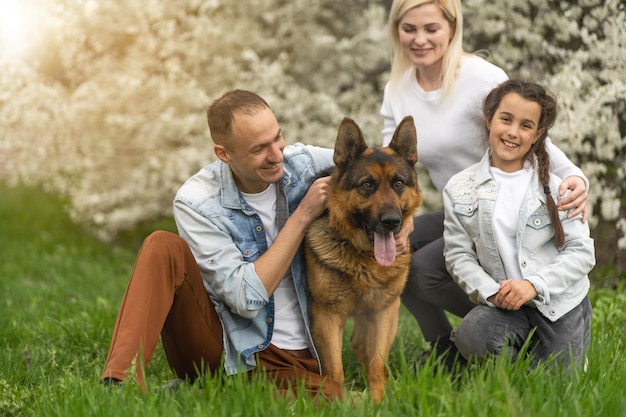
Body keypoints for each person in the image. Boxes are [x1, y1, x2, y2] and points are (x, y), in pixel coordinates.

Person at [99, 89, 378, 400]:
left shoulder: (304, 165)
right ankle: (118, 383)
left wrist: (404, 223)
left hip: (298, 359)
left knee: (334, 400)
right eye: (259, 149)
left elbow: (384, 170)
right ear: (224, 154)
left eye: (277, 137)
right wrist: (302, 217)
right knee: (162, 245)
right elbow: (246, 299)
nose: (276, 155)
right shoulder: (197, 201)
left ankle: (206, 394)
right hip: (226, 346)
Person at [381, 0, 590, 368]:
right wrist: (401, 213)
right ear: (396, 29)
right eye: (409, 29)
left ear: (451, 27)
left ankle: (519, 314)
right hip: (460, 207)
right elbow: (391, 155)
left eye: (431, 29)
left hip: (509, 207)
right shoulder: (397, 88)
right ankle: (444, 344)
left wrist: (574, 176)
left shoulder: (479, 77)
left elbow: (527, 130)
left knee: (424, 265)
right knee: (394, 250)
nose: (419, 39)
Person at [443, 79, 595, 368]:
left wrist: (533, 285)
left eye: (526, 125)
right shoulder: (459, 188)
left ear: (537, 134)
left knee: (557, 390)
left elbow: (581, 252)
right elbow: (458, 255)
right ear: (489, 120)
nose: (512, 132)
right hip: (506, 306)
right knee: (472, 336)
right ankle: (512, 359)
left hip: (558, 304)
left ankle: (560, 356)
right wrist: (490, 291)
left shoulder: (557, 188)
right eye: (506, 119)